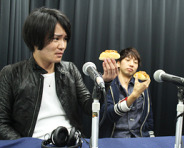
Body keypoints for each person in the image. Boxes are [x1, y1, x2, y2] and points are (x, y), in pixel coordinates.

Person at [0, 7, 118, 140]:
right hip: (31, 145)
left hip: (70, 142)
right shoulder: (11, 73)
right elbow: (2, 123)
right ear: (35, 40)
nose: (62, 46)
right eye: (56, 39)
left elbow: (90, 108)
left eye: (65, 39)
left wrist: (105, 82)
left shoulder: (70, 69)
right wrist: (23, 146)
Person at [99, 47, 154, 138]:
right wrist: (133, 96)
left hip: (139, 138)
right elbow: (106, 115)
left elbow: (149, 116)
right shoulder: (108, 84)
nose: (132, 64)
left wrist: (151, 138)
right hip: (114, 138)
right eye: (128, 60)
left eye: (135, 62)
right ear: (118, 63)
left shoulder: (142, 85)